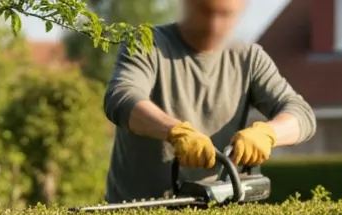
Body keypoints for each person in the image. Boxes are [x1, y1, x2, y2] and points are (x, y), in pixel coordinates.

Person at [102, 0, 316, 203]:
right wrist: (175, 131)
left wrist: (269, 134)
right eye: (205, 11)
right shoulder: (147, 44)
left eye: (225, 14)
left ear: (240, 11)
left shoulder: (250, 59)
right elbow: (122, 97)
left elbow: (302, 114)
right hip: (136, 213)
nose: (214, 25)